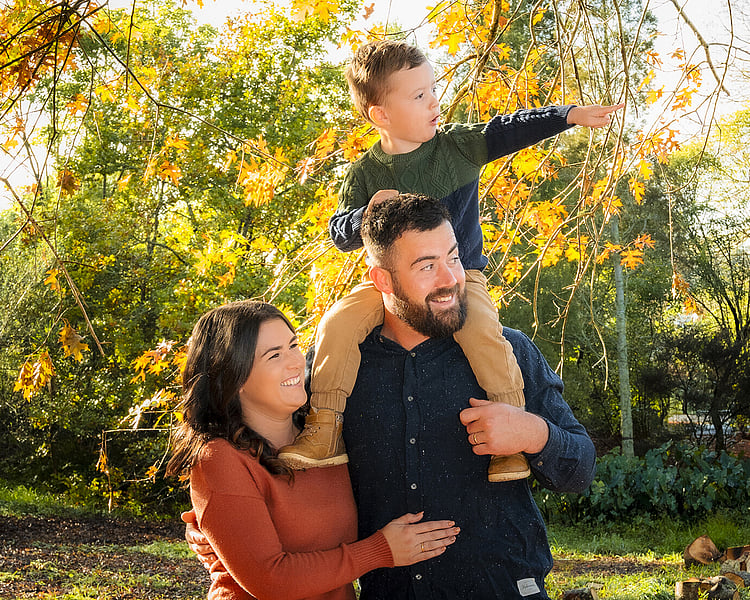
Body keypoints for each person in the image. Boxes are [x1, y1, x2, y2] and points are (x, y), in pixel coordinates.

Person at [185, 194, 597, 599]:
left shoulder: (509, 352)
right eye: (426, 266)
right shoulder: (331, 372)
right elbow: (269, 447)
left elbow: (580, 470)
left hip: (503, 589)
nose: (450, 279)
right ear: (382, 279)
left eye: (454, 258)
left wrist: (533, 434)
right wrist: (211, 521)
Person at [278, 39, 622, 482]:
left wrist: (567, 115)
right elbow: (338, 233)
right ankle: (324, 429)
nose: (434, 102)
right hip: (392, 285)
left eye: (433, 89)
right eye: (419, 95)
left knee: (481, 332)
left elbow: (507, 128)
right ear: (380, 115)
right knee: (337, 324)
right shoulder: (364, 173)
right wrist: (366, 214)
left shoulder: (457, 147)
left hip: (462, 278)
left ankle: (510, 441)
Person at [165, 300, 460, 600]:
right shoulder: (220, 458)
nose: (295, 362)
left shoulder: (327, 438)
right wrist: (380, 550)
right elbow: (271, 580)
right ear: (235, 376)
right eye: (274, 355)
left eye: (293, 346)